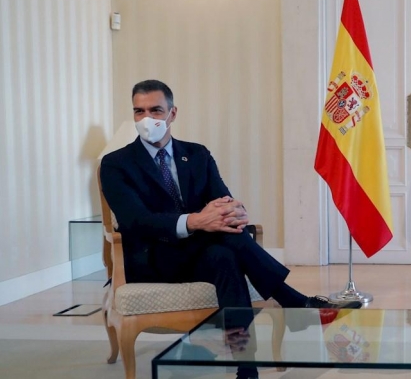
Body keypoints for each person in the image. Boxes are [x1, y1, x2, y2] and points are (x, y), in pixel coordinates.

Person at [100, 80, 362, 314]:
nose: (147, 118)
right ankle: (294, 302)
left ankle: (244, 362)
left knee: (225, 254)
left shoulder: (197, 154)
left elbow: (223, 199)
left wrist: (235, 212)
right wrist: (196, 221)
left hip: (198, 250)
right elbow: (135, 220)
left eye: (155, 110)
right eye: (139, 111)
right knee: (228, 240)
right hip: (153, 257)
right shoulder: (116, 163)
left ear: (172, 113)